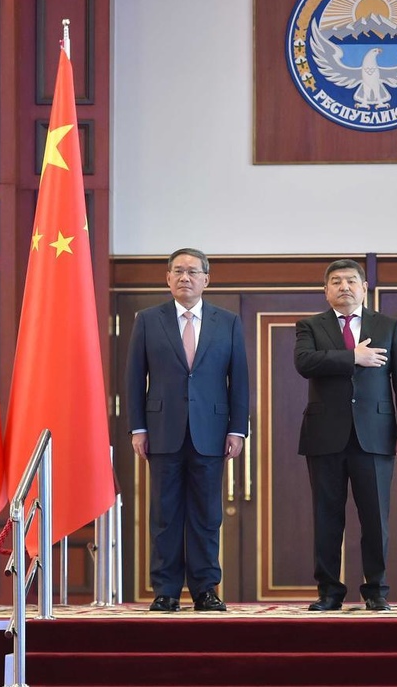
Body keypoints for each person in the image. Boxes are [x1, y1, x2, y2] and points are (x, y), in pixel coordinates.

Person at [125, 248, 249, 612]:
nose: (185, 277)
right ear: (167, 278)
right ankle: (165, 590)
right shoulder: (148, 320)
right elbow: (134, 378)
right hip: (162, 431)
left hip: (212, 433)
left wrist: (237, 430)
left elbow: (239, 381)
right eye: (178, 271)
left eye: (193, 272)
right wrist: (138, 427)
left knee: (206, 516)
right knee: (164, 515)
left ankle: (205, 589)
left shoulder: (228, 322)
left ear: (206, 279)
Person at [294, 259, 397, 612]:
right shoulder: (310, 326)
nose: (344, 287)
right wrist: (353, 357)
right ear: (326, 291)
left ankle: (376, 591)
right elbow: (305, 363)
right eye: (336, 281)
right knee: (326, 517)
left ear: (364, 288)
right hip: (324, 436)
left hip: (376, 436)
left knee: (375, 518)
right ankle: (329, 592)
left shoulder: (387, 326)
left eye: (351, 280)